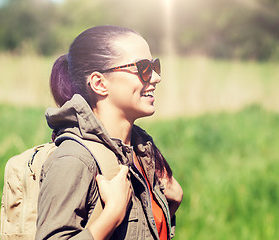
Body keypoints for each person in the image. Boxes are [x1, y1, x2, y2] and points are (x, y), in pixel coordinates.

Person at [36, 25, 183, 240]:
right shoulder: (74, 160)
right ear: (99, 83)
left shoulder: (141, 153)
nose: (155, 77)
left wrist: (172, 203)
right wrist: (112, 215)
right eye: (142, 67)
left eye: (154, 65)